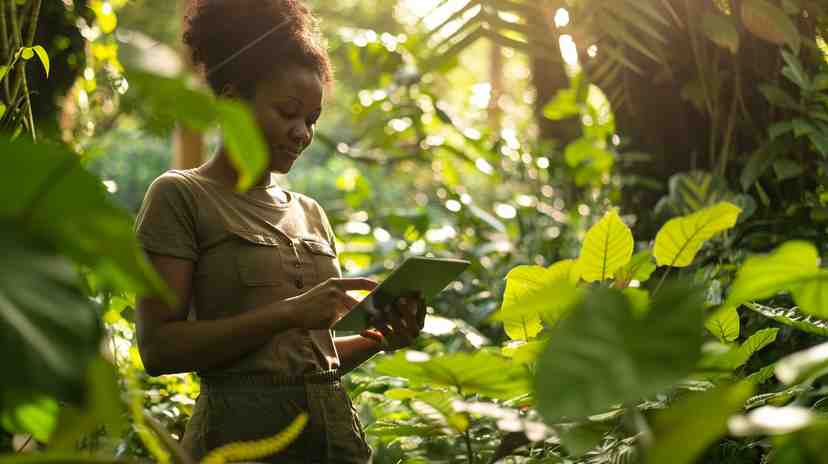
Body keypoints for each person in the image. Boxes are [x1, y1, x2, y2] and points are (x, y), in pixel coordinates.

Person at [134, 1, 424, 462]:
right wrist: (289, 313)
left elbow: (312, 360)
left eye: (311, 120)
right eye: (288, 112)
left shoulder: (311, 213)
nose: (301, 133)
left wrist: (381, 335)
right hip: (238, 443)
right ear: (232, 99)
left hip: (336, 442)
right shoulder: (180, 196)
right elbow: (158, 349)